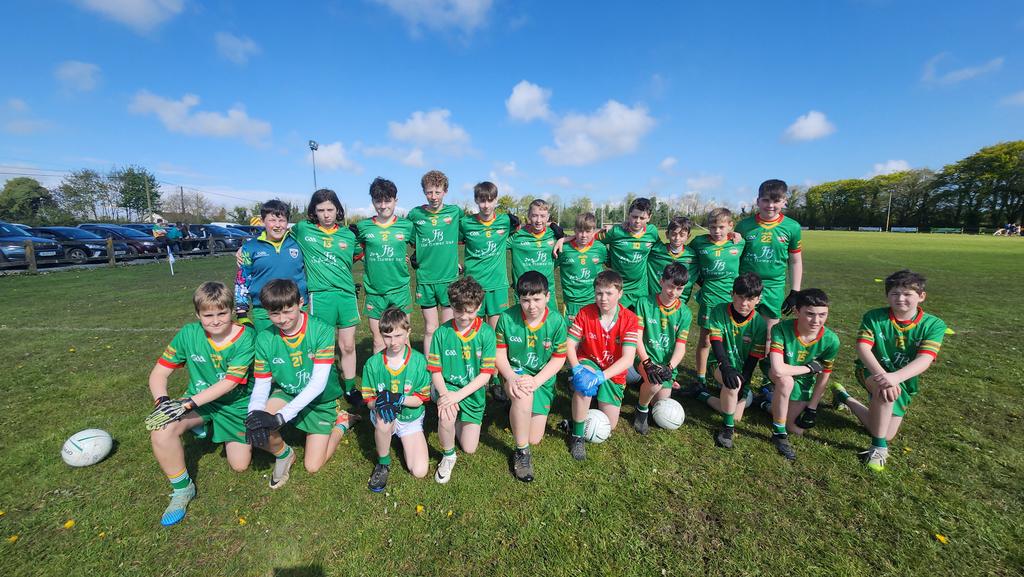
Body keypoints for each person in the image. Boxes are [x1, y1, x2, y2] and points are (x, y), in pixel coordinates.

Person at [144, 281, 255, 526]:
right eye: (208, 315)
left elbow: (229, 383)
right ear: (198, 315)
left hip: (235, 404)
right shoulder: (188, 333)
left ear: (232, 311)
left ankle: (210, 428)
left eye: (221, 313)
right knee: (162, 429)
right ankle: (183, 489)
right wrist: (163, 402)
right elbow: (159, 373)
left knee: (239, 465)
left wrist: (186, 405)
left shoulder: (246, 337)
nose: (215, 321)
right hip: (200, 402)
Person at [831, 270, 947, 472]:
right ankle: (878, 448)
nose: (900, 298)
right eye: (894, 293)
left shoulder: (934, 324)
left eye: (907, 294)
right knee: (885, 393)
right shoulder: (874, 317)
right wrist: (884, 377)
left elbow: (925, 359)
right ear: (887, 296)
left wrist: (895, 377)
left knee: (886, 432)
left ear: (921, 296)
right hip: (870, 371)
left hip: (903, 379)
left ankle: (844, 398)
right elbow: (863, 348)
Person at [244, 279, 350, 489]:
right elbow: (262, 384)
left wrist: (282, 417)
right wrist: (254, 412)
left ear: (301, 302)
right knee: (257, 425)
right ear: (266, 311)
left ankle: (342, 424)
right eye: (274, 314)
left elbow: (317, 384)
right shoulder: (265, 338)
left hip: (320, 400)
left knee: (312, 466)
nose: (282, 319)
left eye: (287, 311)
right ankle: (284, 453)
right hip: (287, 393)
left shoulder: (321, 330)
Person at [494, 271, 568, 482]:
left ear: (547, 296)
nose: (531, 306)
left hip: (541, 379)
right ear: (519, 299)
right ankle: (521, 452)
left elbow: (558, 358)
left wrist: (536, 380)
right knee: (523, 395)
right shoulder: (507, 318)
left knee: (535, 437)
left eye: (537, 299)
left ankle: (517, 413)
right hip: (515, 374)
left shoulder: (556, 321)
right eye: (525, 300)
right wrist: (511, 377)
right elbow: (499, 355)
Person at [292, 189, 362, 407]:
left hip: (346, 296)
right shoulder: (303, 230)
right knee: (322, 347)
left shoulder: (348, 236)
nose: (326, 214)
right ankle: (325, 387)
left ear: (338, 210)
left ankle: (350, 388)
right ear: (314, 211)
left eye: (330, 209)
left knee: (348, 345)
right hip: (320, 296)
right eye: (320, 210)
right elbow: (279, 236)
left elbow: (360, 252)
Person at [427, 276, 497, 484]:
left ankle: (457, 417)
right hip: (447, 388)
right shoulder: (442, 333)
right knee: (446, 415)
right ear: (451, 306)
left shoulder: (486, 333)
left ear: (479, 307)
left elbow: (485, 375)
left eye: (470, 311)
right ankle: (448, 455)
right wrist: (446, 394)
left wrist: (459, 395)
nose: (464, 316)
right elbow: (435, 370)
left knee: (470, 447)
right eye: (459, 311)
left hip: (471, 392)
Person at [566, 270, 640, 460]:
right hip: (589, 361)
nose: (603, 298)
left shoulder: (630, 318)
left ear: (620, 293)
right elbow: (569, 344)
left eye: (609, 293)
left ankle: (576, 416)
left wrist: (601, 377)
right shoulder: (586, 312)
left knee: (610, 425)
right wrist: (576, 369)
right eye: (599, 293)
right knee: (584, 384)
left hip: (612, 370)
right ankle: (577, 436)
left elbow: (628, 359)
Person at [360, 307, 431, 492]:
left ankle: (404, 438)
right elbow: (368, 400)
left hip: (410, 419)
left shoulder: (419, 362)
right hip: (385, 418)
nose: (394, 342)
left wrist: (398, 398)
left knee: (420, 470)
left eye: (399, 335)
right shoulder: (373, 364)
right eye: (388, 336)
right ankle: (383, 463)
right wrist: (379, 402)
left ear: (408, 332)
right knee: (384, 421)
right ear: (381, 335)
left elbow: (421, 399)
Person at [693, 273, 767, 451]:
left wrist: (745, 382)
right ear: (731, 294)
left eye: (750, 299)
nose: (744, 303)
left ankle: (701, 395)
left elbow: (753, 359)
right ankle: (727, 430)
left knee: (735, 413)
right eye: (740, 297)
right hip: (718, 364)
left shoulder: (760, 324)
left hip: (742, 372)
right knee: (732, 385)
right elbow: (716, 343)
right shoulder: (719, 310)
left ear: (758, 299)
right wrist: (725, 367)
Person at [765, 288, 840, 461]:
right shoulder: (781, 329)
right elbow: (778, 369)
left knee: (797, 430)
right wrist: (810, 368)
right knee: (785, 382)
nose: (816, 320)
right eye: (810, 314)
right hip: (780, 375)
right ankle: (778, 434)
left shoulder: (831, 340)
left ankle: (766, 402)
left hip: (804, 382)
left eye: (822, 314)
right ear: (797, 311)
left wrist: (813, 408)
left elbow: (824, 376)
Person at [735, 179, 803, 340]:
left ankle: (769, 365)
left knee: (770, 335)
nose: (770, 205)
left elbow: (795, 261)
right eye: (766, 200)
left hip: (774, 287)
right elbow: (734, 257)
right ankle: (740, 365)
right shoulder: (744, 226)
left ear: (784, 201)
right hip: (747, 286)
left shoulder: (792, 227)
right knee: (742, 334)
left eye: (776, 201)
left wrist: (795, 291)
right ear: (758, 201)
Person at [353, 177, 415, 353]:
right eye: (378, 201)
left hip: (400, 290)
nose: (383, 205)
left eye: (388, 200)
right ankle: (379, 378)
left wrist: (413, 258)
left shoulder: (406, 226)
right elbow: (354, 253)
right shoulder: (363, 227)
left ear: (396, 200)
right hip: (375, 292)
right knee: (379, 341)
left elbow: (423, 247)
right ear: (372, 201)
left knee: (403, 337)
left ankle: (406, 377)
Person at [631, 263, 692, 434]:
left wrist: (669, 368)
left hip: (666, 364)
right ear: (661, 281)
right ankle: (641, 411)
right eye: (670, 286)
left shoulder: (685, 313)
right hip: (645, 358)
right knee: (654, 384)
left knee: (660, 403)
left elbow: (681, 347)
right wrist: (647, 363)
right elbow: (637, 338)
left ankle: (648, 386)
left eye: (679, 289)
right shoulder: (644, 302)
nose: (674, 293)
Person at [690, 207, 745, 390]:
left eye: (721, 227)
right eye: (713, 227)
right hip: (710, 299)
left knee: (731, 338)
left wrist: (736, 235)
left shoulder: (738, 242)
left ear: (730, 226)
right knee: (706, 340)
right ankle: (701, 378)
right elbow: (684, 255)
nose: (717, 231)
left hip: (733, 300)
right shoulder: (699, 243)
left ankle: (730, 372)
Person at [408, 170, 462, 355]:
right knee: (431, 328)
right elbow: (406, 239)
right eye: (429, 192)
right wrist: (412, 256)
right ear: (424, 192)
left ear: (445, 191)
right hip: (426, 279)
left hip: (448, 279)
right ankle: (431, 369)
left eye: (437, 192)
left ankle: (447, 365)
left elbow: (471, 229)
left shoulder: (455, 212)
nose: (433, 196)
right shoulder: (415, 214)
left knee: (448, 328)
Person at [238, 200, 307, 332]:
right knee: (268, 350)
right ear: (263, 221)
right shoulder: (250, 247)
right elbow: (242, 280)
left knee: (296, 350)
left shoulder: (298, 243)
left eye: (281, 220)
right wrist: (241, 311)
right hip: (264, 312)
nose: (277, 225)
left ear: (287, 222)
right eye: (272, 220)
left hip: (295, 309)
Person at [460, 181, 515, 328]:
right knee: (474, 330)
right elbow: (450, 241)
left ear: (496, 200)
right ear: (476, 200)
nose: (486, 205)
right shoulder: (465, 223)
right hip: (473, 284)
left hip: (497, 285)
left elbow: (531, 226)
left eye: (490, 200)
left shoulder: (505, 221)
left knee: (496, 330)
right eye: (482, 200)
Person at [508, 199, 563, 308]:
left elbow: (578, 240)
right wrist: (508, 225)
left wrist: (562, 238)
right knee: (523, 324)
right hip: (524, 293)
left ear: (548, 217)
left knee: (550, 323)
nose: (538, 220)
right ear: (528, 216)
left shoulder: (553, 234)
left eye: (542, 216)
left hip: (547, 292)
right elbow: (496, 243)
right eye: (534, 216)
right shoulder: (517, 236)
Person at [556, 212, 608, 324]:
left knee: (592, 339)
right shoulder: (563, 249)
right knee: (570, 339)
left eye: (588, 231)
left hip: (594, 302)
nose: (583, 235)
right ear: (574, 230)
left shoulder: (600, 248)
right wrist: (562, 240)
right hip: (571, 304)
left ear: (594, 231)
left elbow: (612, 265)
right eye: (580, 231)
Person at [646, 216, 698, 305]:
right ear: (667, 234)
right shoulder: (655, 249)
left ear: (688, 236)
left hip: (677, 303)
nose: (677, 238)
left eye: (682, 235)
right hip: (653, 301)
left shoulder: (693, 255)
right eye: (674, 234)